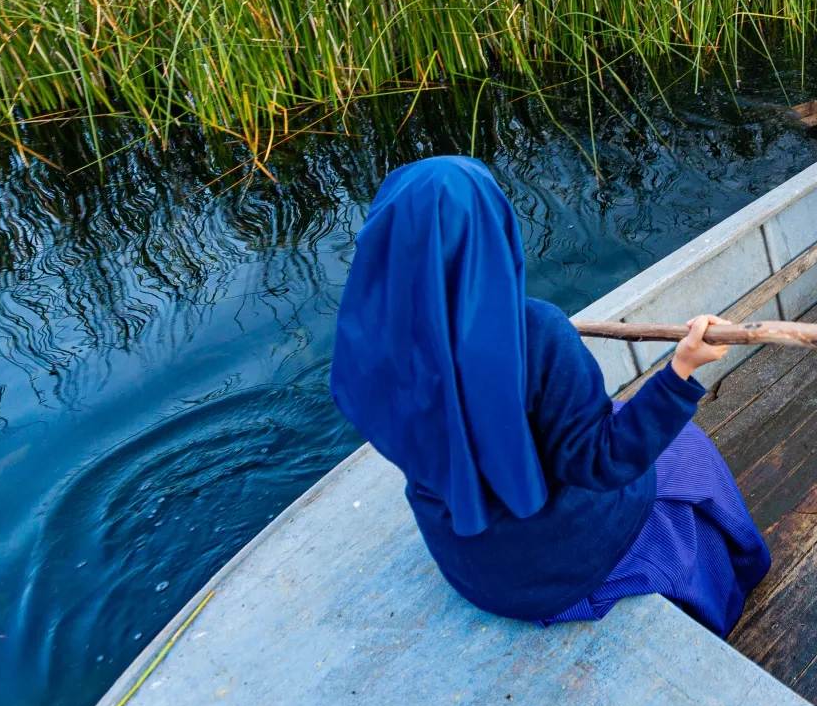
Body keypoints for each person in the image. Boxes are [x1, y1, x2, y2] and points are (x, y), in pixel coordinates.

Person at [330, 156, 770, 637]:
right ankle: (735, 583)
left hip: (468, 564)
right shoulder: (535, 333)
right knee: (686, 450)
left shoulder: (365, 344)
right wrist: (681, 367)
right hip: (553, 564)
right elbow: (602, 462)